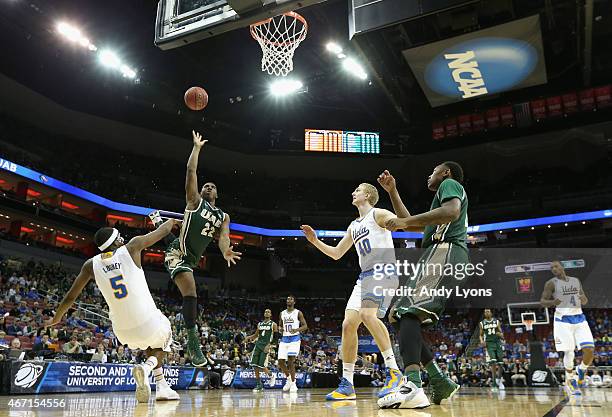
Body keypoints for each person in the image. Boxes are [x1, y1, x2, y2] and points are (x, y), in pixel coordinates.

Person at [48, 220, 182, 402]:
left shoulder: (90, 265)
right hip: (147, 322)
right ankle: (147, 368)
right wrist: (173, 221)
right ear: (116, 241)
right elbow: (163, 231)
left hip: (121, 332)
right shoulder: (132, 247)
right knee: (165, 332)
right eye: (120, 237)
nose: (123, 239)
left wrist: (56, 318)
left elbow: (70, 298)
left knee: (151, 343)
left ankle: (162, 387)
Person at [301, 182, 402, 401]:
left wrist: (395, 219)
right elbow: (337, 253)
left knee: (367, 315)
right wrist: (315, 241)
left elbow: (398, 223)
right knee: (348, 325)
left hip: (384, 270)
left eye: (356, 190)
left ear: (367, 195)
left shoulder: (378, 214)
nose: (352, 192)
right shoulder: (353, 225)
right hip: (365, 276)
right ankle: (347, 384)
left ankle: (395, 372)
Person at [377, 164, 468, 409]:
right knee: (399, 315)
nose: (430, 174)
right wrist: (393, 192)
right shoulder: (436, 211)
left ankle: (413, 386)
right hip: (440, 254)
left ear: (446, 173)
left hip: (445, 251)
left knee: (405, 311)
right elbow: (410, 224)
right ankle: (439, 381)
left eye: (434, 170)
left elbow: (451, 211)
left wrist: (401, 221)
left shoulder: (450, 186)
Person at [149, 131, 241, 367]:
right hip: (177, 255)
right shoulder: (194, 202)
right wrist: (197, 148)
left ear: (217, 194)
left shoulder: (223, 215)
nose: (208, 187)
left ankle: (158, 222)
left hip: (190, 258)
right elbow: (191, 172)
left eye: (212, 186)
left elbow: (224, 237)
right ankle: (192, 342)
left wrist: (225, 251)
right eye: (206, 185)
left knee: (176, 245)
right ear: (200, 191)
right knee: (190, 289)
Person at [540, 260, 594, 395]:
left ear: (562, 267)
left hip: (579, 318)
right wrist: (552, 302)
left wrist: (583, 299)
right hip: (562, 321)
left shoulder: (575, 281)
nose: (553, 269)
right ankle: (571, 381)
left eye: (556, 266)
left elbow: (585, 299)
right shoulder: (551, 283)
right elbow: (543, 301)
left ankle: (581, 369)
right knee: (569, 352)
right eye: (551, 267)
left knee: (589, 350)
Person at [278, 295, 308, 392]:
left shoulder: (298, 312)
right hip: (284, 338)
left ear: (294, 302)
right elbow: (280, 325)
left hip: (295, 338)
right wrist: (280, 329)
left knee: (290, 360)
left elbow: (305, 326)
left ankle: (294, 383)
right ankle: (289, 379)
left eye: (291, 299)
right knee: (280, 362)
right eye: (287, 299)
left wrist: (296, 329)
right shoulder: (282, 313)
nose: (289, 300)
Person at [245, 308, 278, 392]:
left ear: (270, 315)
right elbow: (256, 335)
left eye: (268, 312)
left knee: (262, 365)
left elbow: (276, 336)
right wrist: (249, 337)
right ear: (264, 314)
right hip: (258, 345)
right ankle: (259, 385)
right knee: (254, 365)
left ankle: (271, 376)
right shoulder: (260, 324)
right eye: (265, 312)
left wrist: (271, 345)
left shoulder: (273, 324)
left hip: (266, 346)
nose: (266, 313)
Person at [479, 309, 505, 390]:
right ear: (484, 314)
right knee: (493, 362)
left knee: (500, 363)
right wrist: (482, 341)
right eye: (485, 312)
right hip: (489, 344)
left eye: (488, 311)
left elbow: (502, 335)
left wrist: (500, 335)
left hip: (497, 343)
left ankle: (499, 380)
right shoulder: (482, 323)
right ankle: (494, 383)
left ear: (491, 313)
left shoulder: (496, 321)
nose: (487, 313)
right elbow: (480, 334)